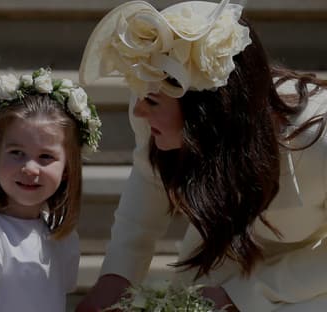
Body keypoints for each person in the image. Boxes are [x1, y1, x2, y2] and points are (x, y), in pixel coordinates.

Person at [76, 1, 327, 311]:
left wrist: (244, 293)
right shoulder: (150, 105)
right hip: (221, 256)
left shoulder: (319, 142)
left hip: (310, 277)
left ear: (208, 112)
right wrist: (116, 277)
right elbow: (149, 182)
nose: (139, 110)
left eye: (152, 101)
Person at [0, 68, 102, 312]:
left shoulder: (58, 235)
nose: (29, 168)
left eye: (45, 156)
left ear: (68, 168)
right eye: (16, 153)